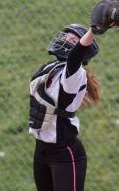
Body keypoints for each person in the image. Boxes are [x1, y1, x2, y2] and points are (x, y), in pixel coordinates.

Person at [28, 23, 99, 191]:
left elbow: (75, 57)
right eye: (66, 36)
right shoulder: (51, 68)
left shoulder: (76, 74)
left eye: (73, 39)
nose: (66, 40)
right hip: (41, 150)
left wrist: (94, 30)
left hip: (65, 153)